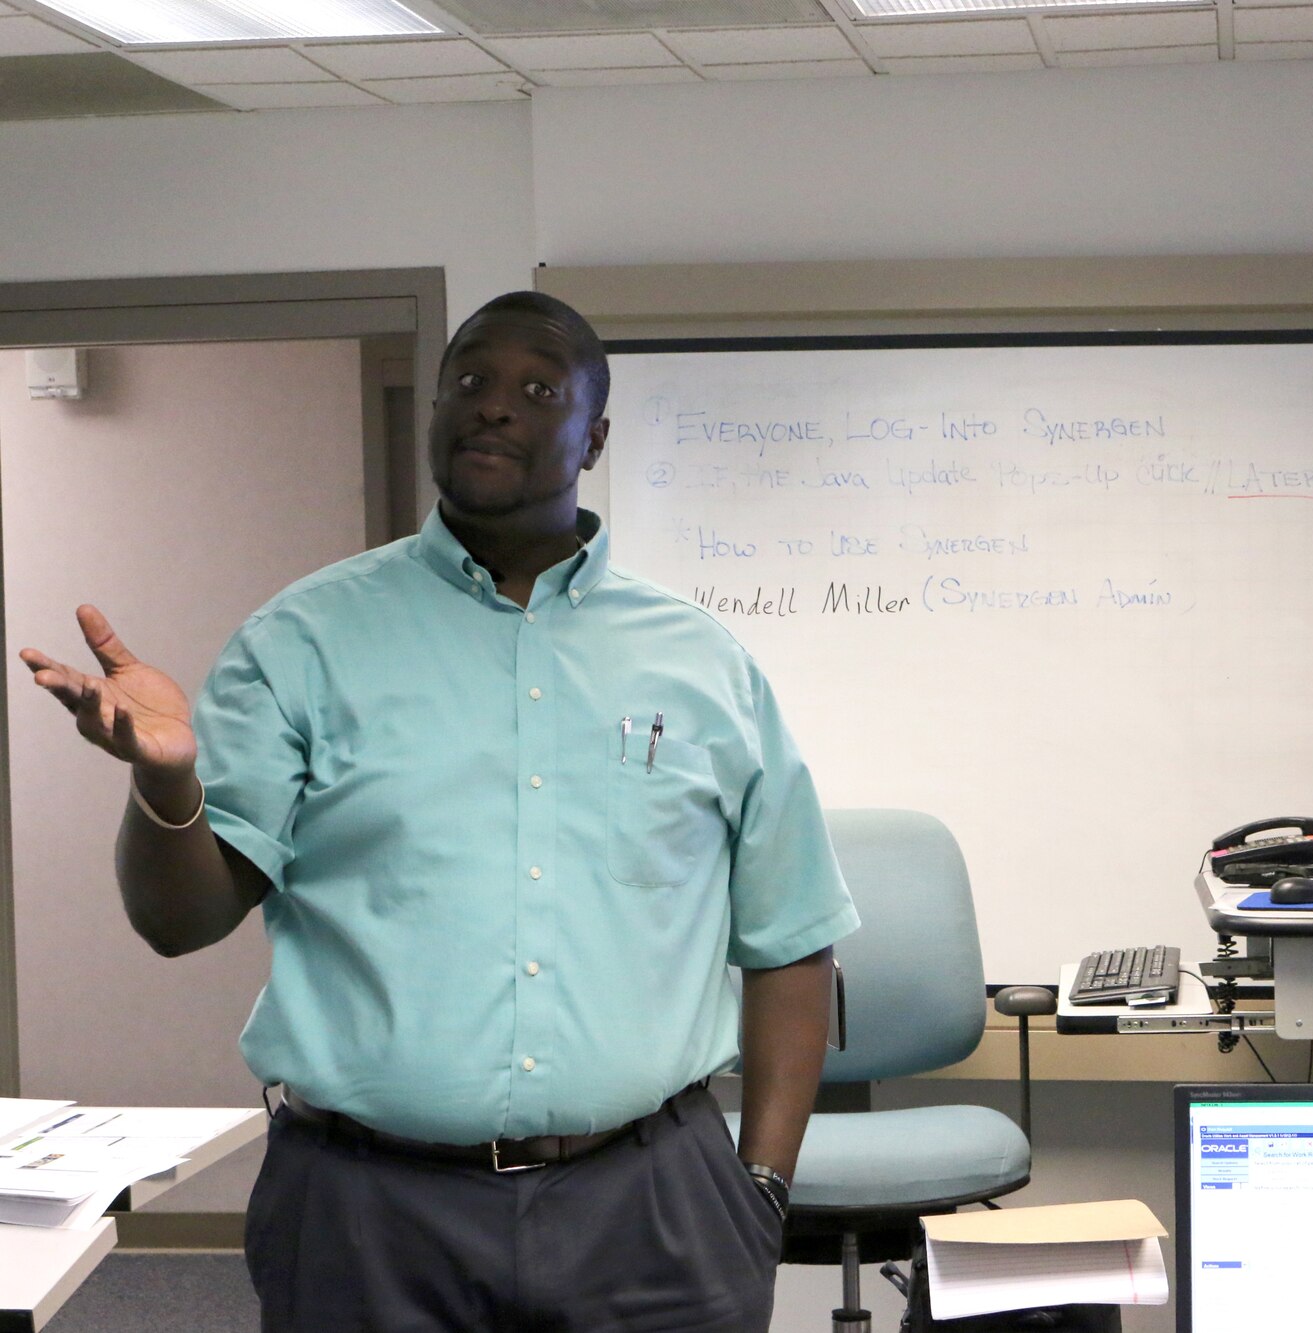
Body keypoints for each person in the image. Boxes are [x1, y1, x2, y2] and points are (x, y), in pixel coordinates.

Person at [20, 290, 859, 1331]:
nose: (494, 406)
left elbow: (791, 939)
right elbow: (176, 921)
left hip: (650, 1210)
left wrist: (760, 1189)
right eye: (468, 380)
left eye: (536, 389)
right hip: (368, 1213)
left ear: (592, 437)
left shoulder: (701, 662)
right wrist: (164, 783)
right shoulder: (305, 641)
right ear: (433, 413)